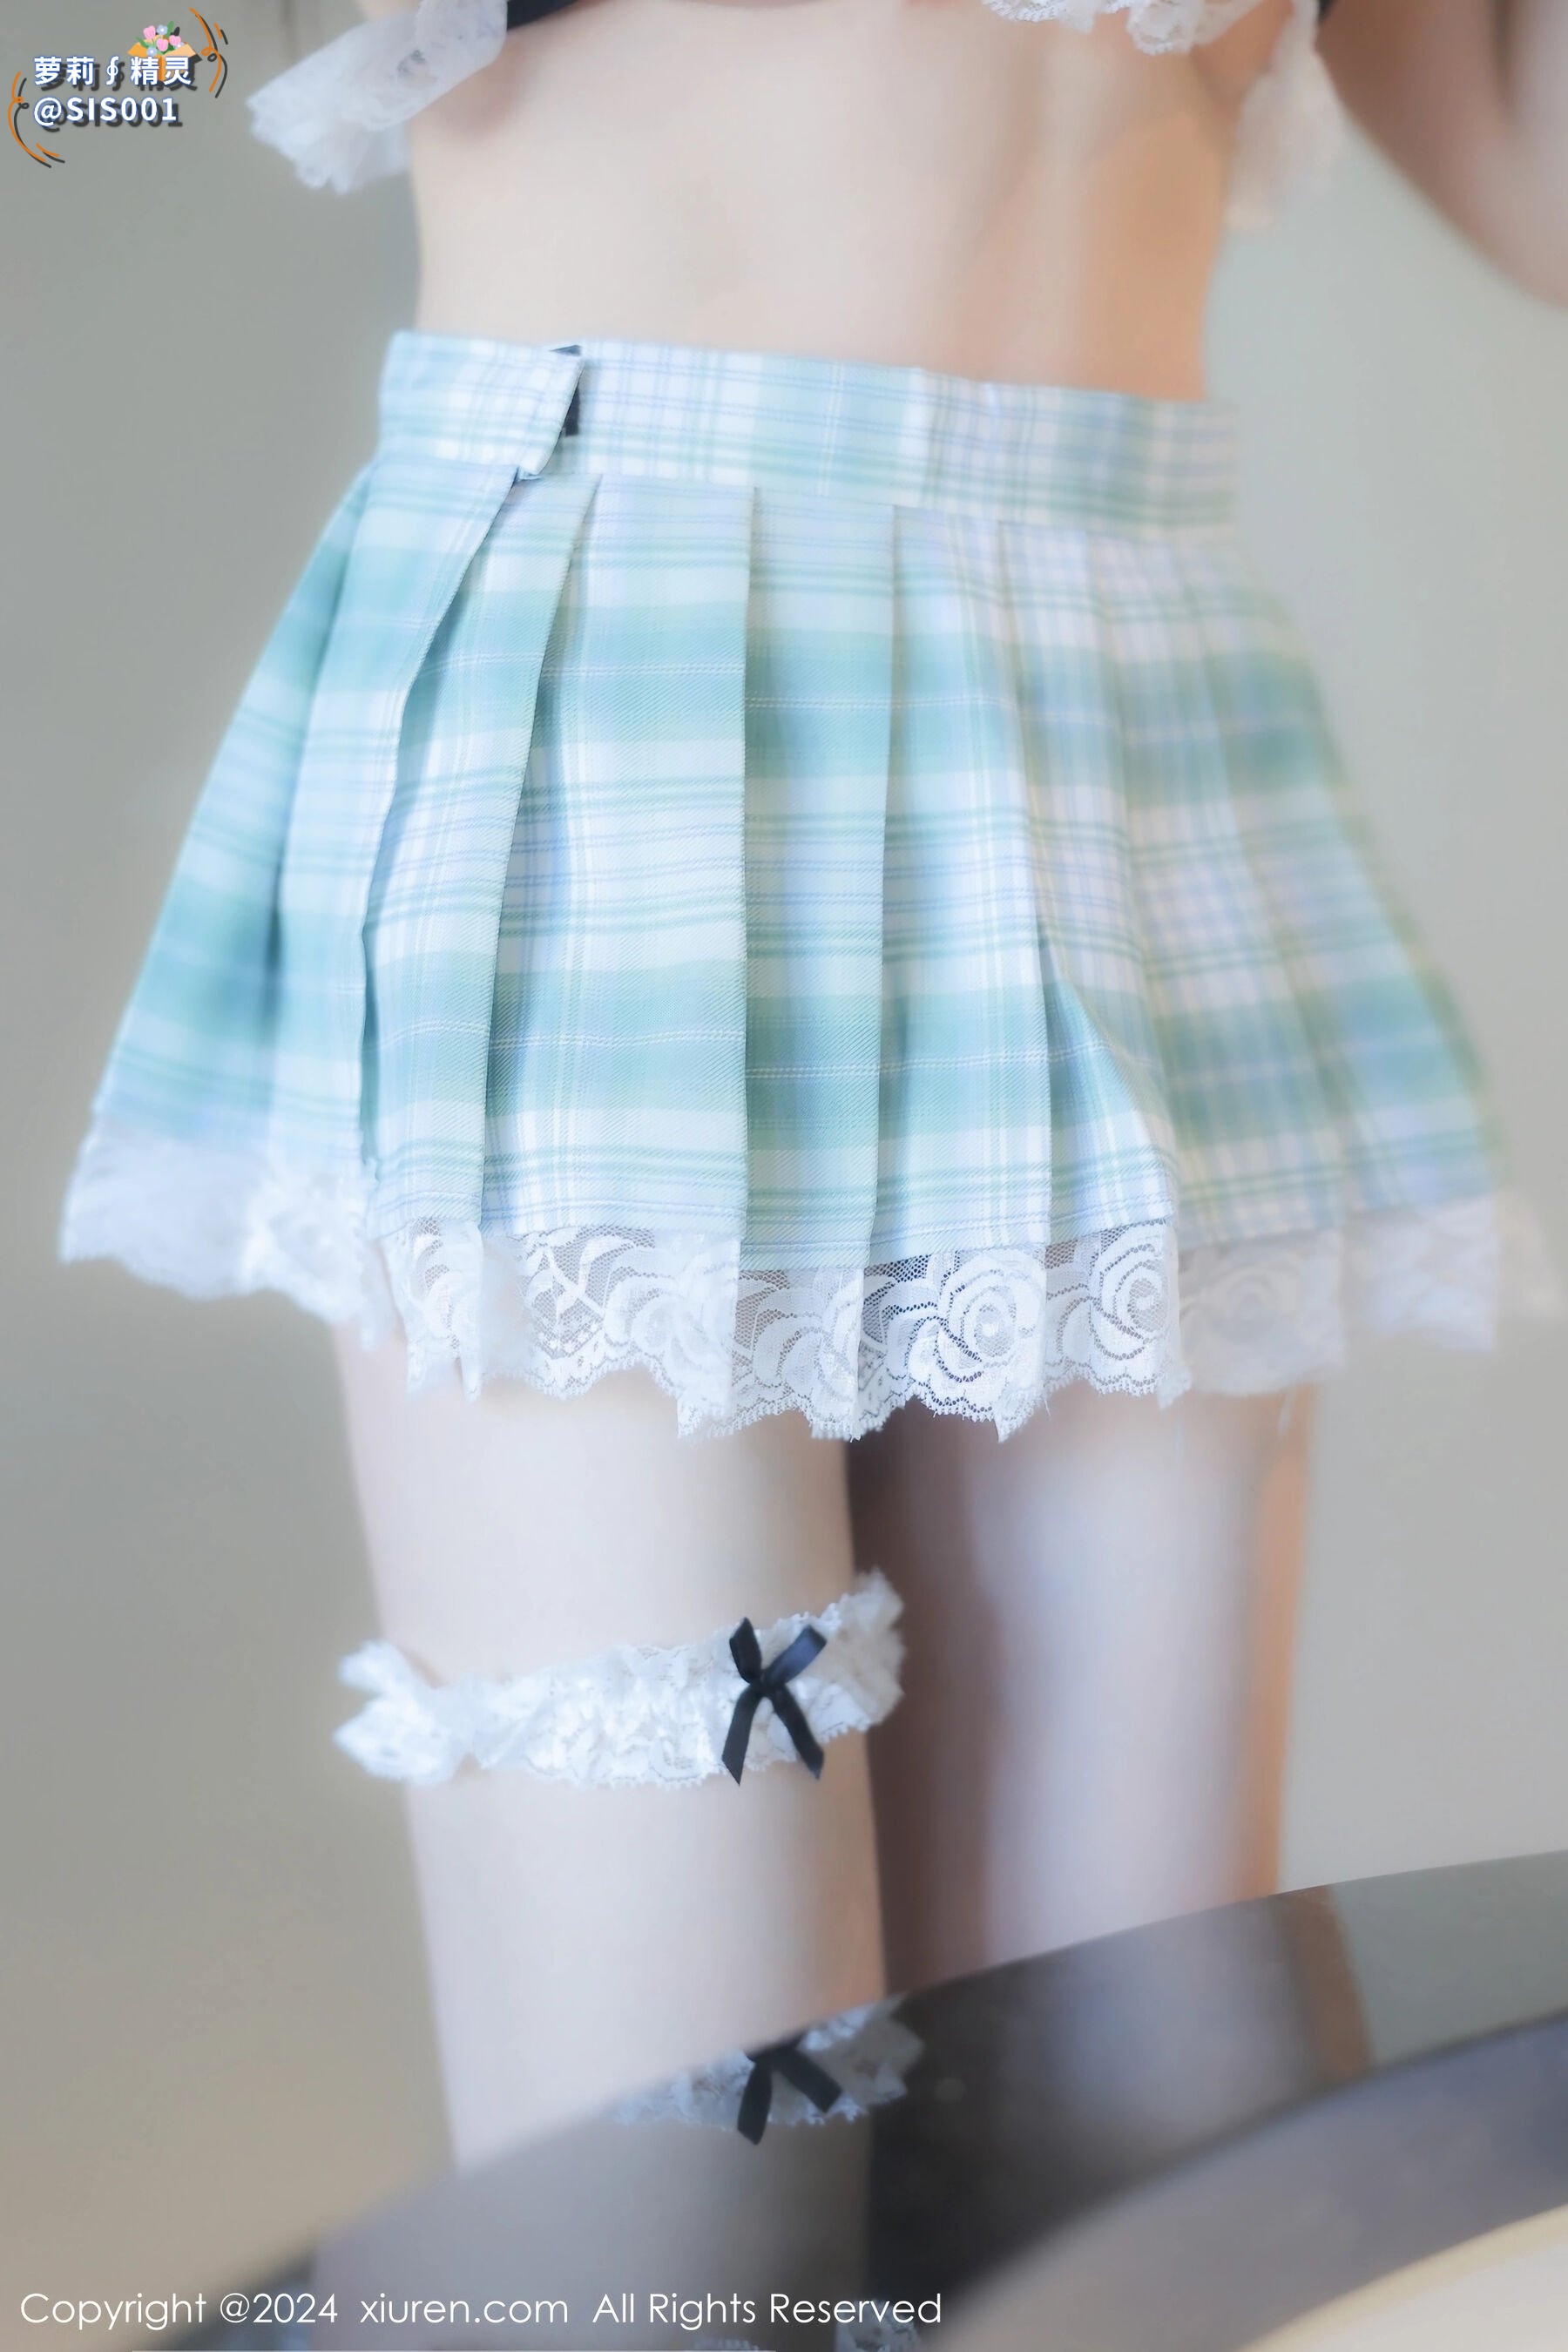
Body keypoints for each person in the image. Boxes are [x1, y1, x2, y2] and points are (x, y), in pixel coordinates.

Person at [61, 0, 1566, 2166]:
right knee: (691, 2146)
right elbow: (104, 73)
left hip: (1123, 698)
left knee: (1131, 2106)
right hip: (635, 647)